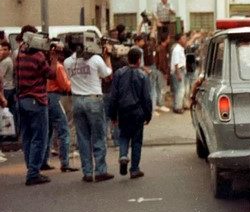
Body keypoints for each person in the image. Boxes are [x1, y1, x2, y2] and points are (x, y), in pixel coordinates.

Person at [64, 40, 114, 183]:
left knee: (83, 138)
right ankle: (100, 171)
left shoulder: (68, 62)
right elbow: (107, 75)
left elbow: (69, 78)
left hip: (77, 100)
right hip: (93, 99)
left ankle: (87, 172)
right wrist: (107, 57)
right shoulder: (96, 59)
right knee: (98, 136)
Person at [15, 25, 58, 186]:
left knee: (27, 137)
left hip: (22, 100)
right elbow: (51, 74)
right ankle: (33, 173)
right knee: (39, 137)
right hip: (36, 100)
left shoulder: (20, 53)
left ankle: (30, 167)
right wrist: (53, 58)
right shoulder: (38, 56)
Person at [109, 48, 152, 179]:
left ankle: (123, 155)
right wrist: (148, 114)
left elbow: (114, 96)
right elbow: (146, 98)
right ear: (139, 60)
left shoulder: (119, 74)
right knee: (137, 141)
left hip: (123, 111)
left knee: (123, 135)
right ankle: (134, 169)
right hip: (138, 112)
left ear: (128, 59)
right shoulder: (143, 75)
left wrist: (112, 114)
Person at [42, 51, 79, 173]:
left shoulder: (44, 65)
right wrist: (73, 84)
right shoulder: (58, 67)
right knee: (64, 130)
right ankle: (65, 163)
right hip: (56, 98)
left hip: (44, 97)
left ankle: (43, 161)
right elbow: (65, 86)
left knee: (48, 131)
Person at [0, 41, 16, 128]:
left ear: (9, 51)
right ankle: (12, 131)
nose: (3, 51)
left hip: (6, 88)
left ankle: (6, 130)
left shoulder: (5, 61)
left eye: (5, 49)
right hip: (10, 88)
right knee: (10, 111)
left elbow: (1, 76)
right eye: (2, 49)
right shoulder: (9, 60)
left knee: (4, 110)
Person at [170, 33, 188, 113]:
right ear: (179, 40)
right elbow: (176, 63)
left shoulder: (180, 48)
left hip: (181, 70)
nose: (185, 40)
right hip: (179, 70)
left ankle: (177, 105)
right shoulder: (177, 49)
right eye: (183, 38)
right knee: (180, 89)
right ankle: (178, 107)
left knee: (179, 89)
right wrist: (178, 74)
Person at [155, 33, 171, 112]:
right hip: (161, 71)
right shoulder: (162, 49)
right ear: (165, 39)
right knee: (162, 88)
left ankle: (158, 103)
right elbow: (161, 62)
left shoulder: (161, 48)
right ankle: (161, 104)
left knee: (158, 88)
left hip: (159, 70)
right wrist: (165, 72)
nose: (169, 39)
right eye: (168, 38)